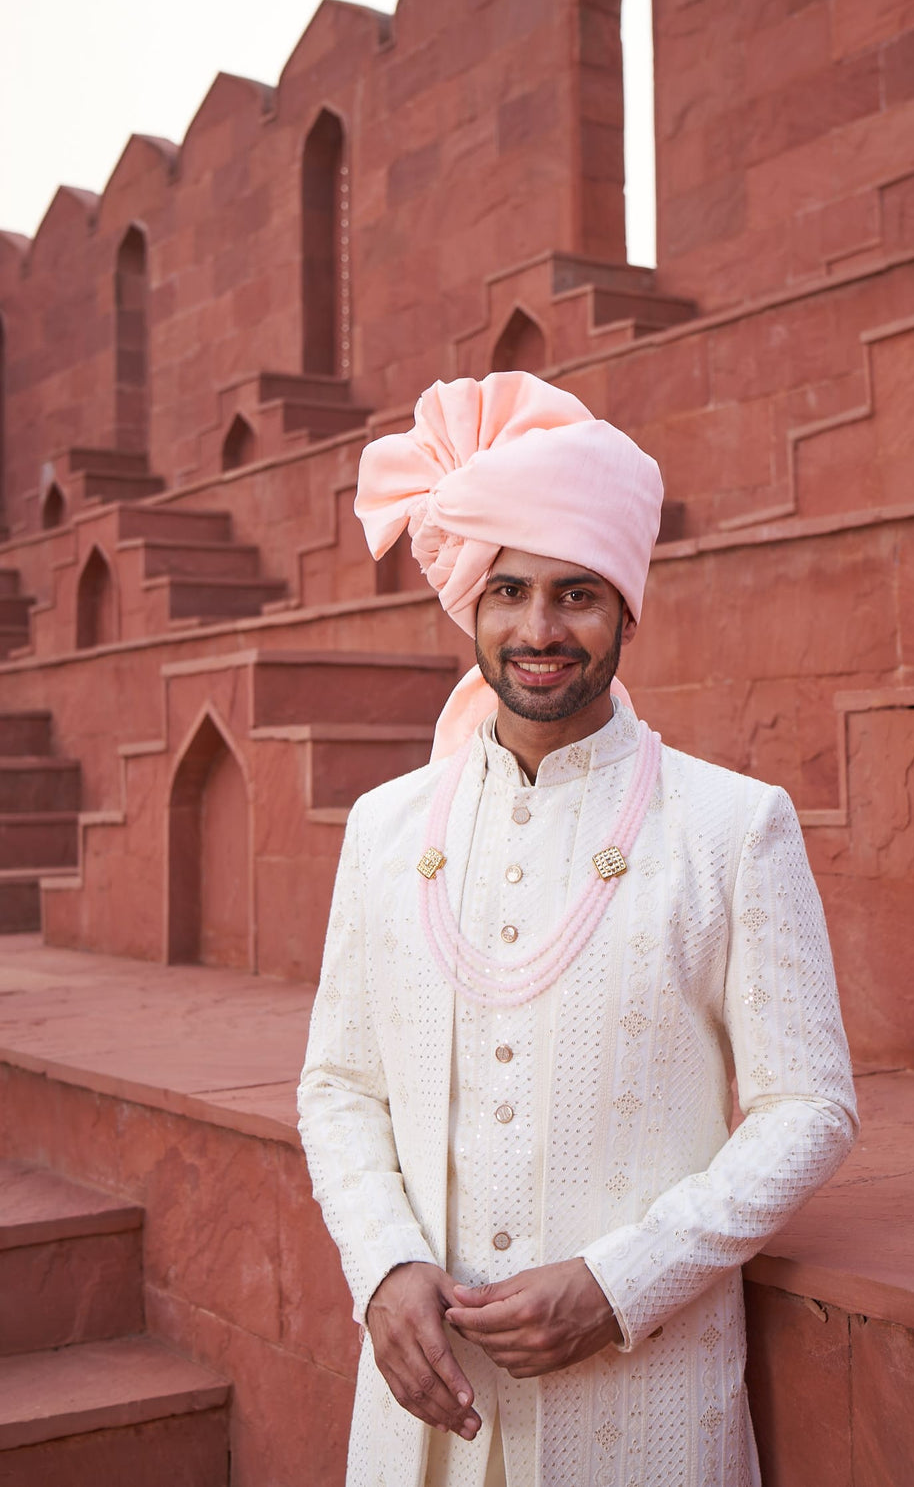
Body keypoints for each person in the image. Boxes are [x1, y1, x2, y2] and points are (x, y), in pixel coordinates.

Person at [298, 372, 857, 1487]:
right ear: (469, 603)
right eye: (506, 591)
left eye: (576, 594)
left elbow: (810, 1107)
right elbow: (339, 1085)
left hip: (639, 1407)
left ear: (627, 609)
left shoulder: (728, 827)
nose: (537, 629)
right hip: (421, 1418)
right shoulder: (385, 826)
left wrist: (621, 1282)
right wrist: (382, 1266)